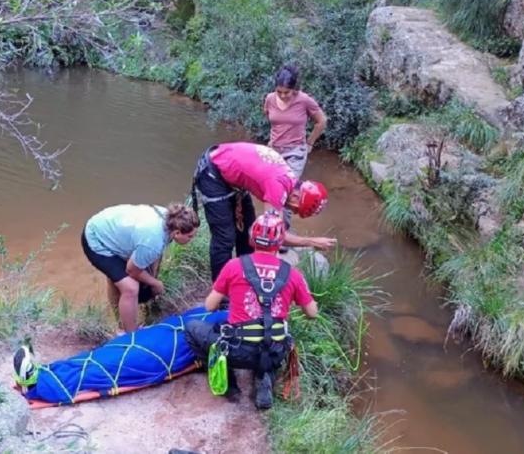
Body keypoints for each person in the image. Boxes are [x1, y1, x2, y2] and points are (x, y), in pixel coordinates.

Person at [184, 211, 318, 409]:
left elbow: (210, 306)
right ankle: (265, 376)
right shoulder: (292, 274)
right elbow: (312, 313)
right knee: (270, 338)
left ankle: (229, 385)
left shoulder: (234, 266)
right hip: (275, 351)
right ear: (280, 242)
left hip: (237, 351)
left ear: (252, 239)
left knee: (191, 328)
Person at [190, 141, 336, 281]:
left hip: (230, 173)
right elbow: (274, 236)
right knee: (225, 239)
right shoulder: (277, 187)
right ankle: (221, 291)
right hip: (213, 172)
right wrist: (311, 242)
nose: (292, 211)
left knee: (247, 232)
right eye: (296, 209)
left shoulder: (288, 179)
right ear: (296, 197)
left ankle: (245, 278)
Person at [81, 202, 200, 332]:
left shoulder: (170, 219)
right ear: (177, 233)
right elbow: (132, 270)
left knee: (118, 278)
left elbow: (154, 256)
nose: (192, 239)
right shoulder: (153, 241)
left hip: (110, 228)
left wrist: (151, 277)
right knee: (130, 287)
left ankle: (121, 323)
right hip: (96, 239)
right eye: (190, 236)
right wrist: (156, 284)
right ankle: (131, 334)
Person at [263, 65, 327, 181]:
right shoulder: (269, 99)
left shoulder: (304, 100)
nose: (282, 96)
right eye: (279, 92)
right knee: (271, 184)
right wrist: (273, 139)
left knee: (287, 184)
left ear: (294, 89)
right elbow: (270, 118)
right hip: (274, 149)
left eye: (286, 92)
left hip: (295, 151)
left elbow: (321, 121)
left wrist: (310, 143)